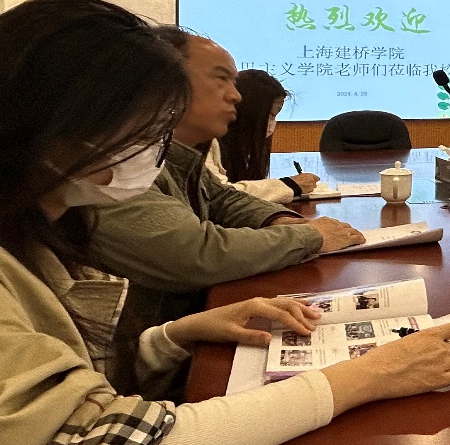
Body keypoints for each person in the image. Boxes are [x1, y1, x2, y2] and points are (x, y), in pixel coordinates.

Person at [0, 0, 450, 445]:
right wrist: (366, 376)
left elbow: (66, 375)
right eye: (143, 125)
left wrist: (172, 338)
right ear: (50, 116)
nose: (153, 144)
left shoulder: (28, 218)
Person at [80, 27, 366, 390]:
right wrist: (309, 237)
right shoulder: (115, 165)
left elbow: (222, 198)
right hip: (136, 373)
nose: (236, 95)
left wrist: (280, 219)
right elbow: (195, 254)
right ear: (159, 86)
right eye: (220, 79)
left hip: (165, 342)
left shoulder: (174, 153)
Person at [207, 69, 319, 204]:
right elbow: (220, 196)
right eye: (270, 115)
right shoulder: (206, 140)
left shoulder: (242, 146)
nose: (273, 123)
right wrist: (290, 185)